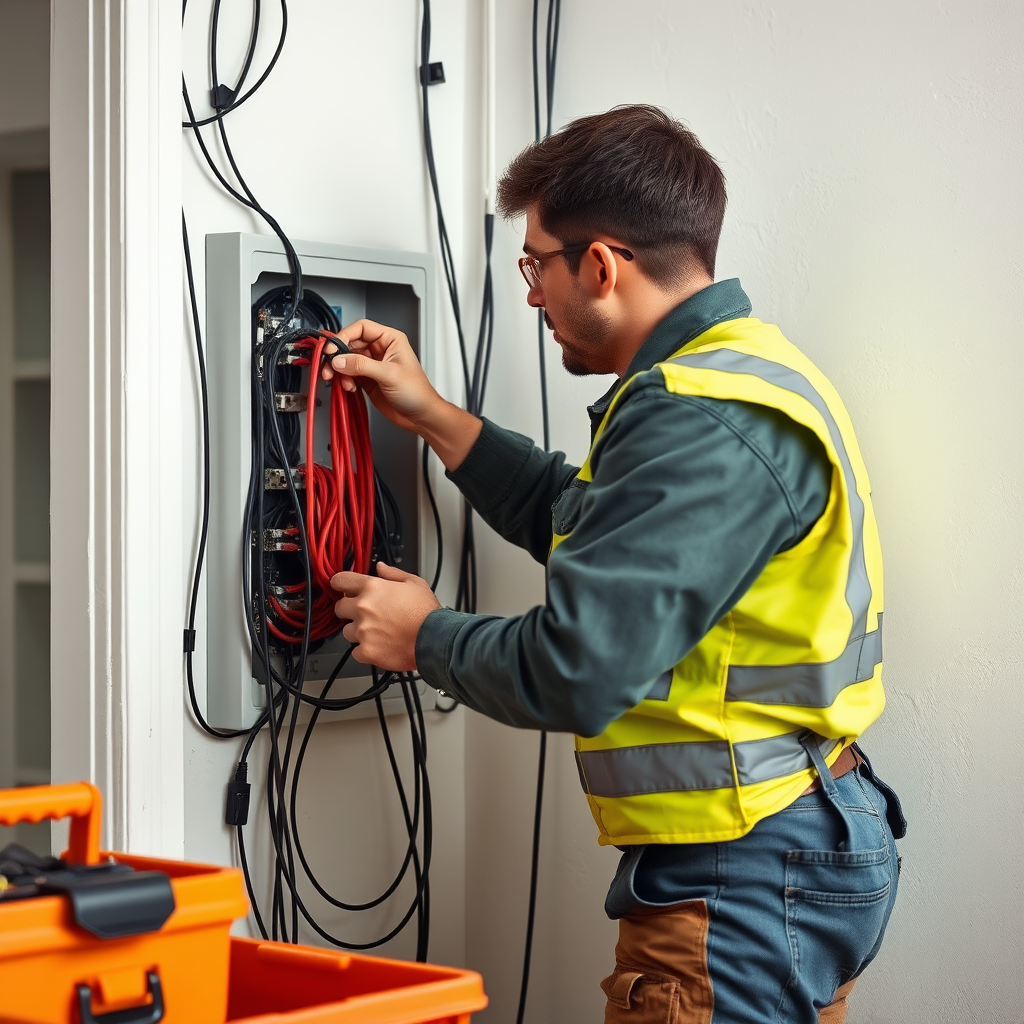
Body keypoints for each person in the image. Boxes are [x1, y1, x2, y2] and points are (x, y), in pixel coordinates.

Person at [326, 105, 906, 1024]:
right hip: (785, 843)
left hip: (742, 875)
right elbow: (594, 527)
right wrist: (435, 414)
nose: (531, 294)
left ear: (599, 264)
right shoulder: (730, 374)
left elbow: (580, 664)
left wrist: (422, 636)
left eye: (536, 264)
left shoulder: (699, 417)